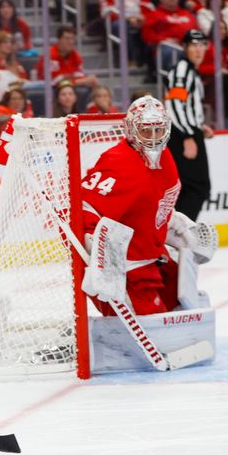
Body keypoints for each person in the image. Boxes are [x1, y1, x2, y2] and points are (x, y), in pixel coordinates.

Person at [80, 95, 190, 317]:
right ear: (131, 129)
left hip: (154, 257)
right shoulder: (118, 161)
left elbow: (151, 201)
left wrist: (174, 222)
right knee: (155, 327)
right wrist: (98, 248)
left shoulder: (165, 156)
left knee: (182, 304)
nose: (153, 138)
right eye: (145, 130)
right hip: (128, 269)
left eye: (158, 130)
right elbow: (85, 207)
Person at [165, 29, 213, 221]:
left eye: (202, 44)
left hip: (189, 131)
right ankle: (180, 235)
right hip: (182, 134)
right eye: (193, 44)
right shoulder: (182, 71)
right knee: (198, 186)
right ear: (184, 47)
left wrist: (199, 125)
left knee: (187, 187)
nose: (199, 49)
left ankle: (175, 237)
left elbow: (185, 105)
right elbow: (174, 105)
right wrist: (188, 135)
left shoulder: (189, 71)